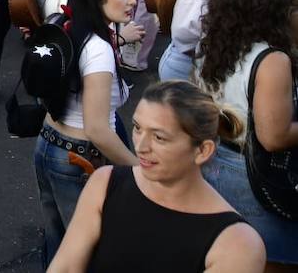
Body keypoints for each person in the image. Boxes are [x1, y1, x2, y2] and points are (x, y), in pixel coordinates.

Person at [47, 80, 263, 273]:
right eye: (138, 128)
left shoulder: (237, 245)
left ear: (202, 151)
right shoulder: (104, 183)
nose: (140, 147)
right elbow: (65, 267)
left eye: (159, 137)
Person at [33, 0, 138, 266]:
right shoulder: (98, 49)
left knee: (58, 246)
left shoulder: (65, 25)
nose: (132, 0)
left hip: (48, 145)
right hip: (79, 160)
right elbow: (98, 129)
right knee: (85, 256)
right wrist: (141, 170)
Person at [196, 0, 298, 265]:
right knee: (270, 259)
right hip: (254, 175)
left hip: (216, 164)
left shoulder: (215, 42)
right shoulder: (271, 60)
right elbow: (274, 137)